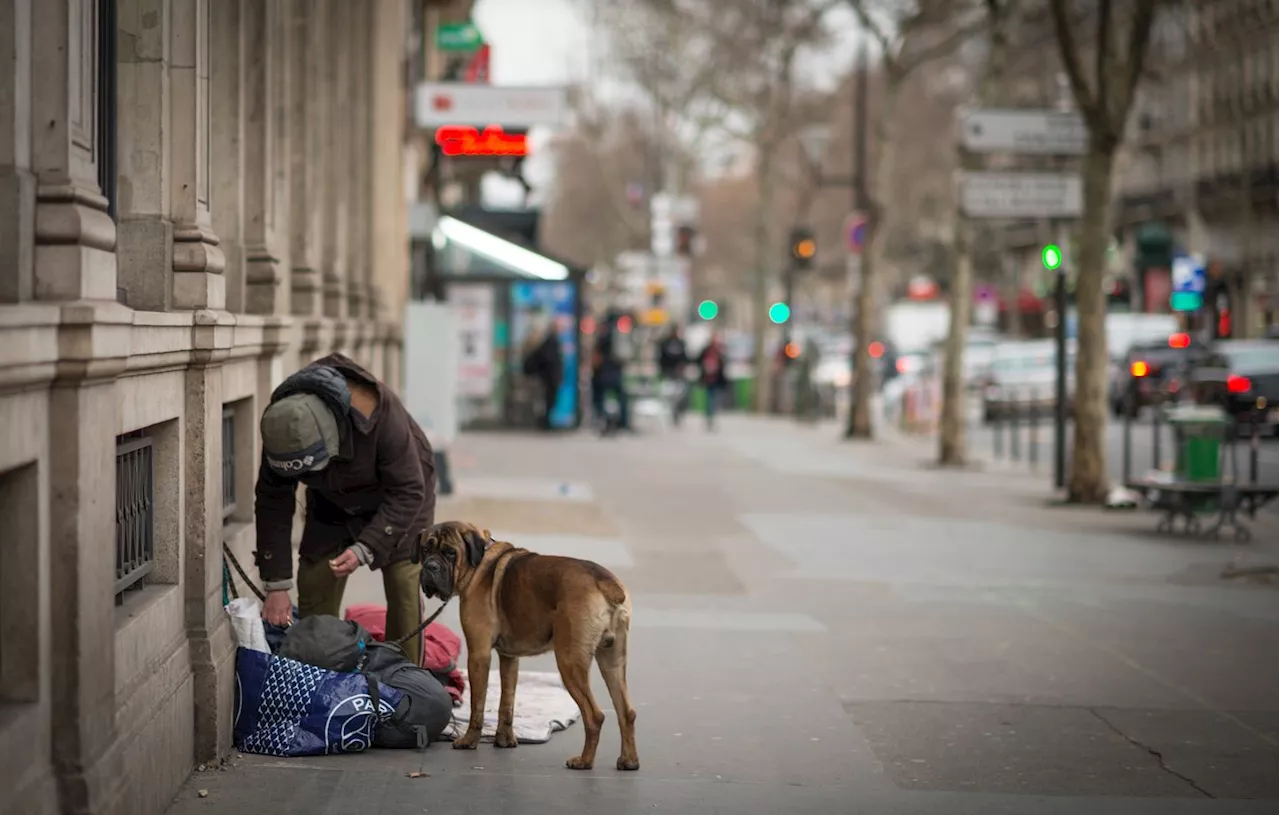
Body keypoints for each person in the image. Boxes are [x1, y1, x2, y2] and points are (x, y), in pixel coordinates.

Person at [253, 352, 436, 667]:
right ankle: (318, 675)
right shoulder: (283, 427)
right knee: (314, 577)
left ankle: (404, 681)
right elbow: (273, 504)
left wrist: (366, 547)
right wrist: (277, 584)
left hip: (401, 494)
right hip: (331, 502)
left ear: (334, 431)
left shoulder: (381, 414)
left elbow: (408, 491)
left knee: (403, 584)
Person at [591, 317, 630, 431]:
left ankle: (603, 420)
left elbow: (597, 359)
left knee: (599, 399)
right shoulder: (616, 339)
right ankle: (621, 422)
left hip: (603, 375)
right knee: (620, 398)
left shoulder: (602, 339)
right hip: (615, 375)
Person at [522, 322, 564, 430]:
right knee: (548, 400)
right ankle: (544, 421)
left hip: (546, 377)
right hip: (548, 378)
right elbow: (551, 361)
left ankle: (545, 421)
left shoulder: (547, 342)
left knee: (548, 400)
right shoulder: (551, 343)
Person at [698, 332, 731, 430]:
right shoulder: (706, 352)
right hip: (709, 380)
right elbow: (699, 362)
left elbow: (723, 366)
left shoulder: (720, 353)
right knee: (710, 399)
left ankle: (711, 416)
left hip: (717, 380)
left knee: (714, 399)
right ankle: (709, 417)